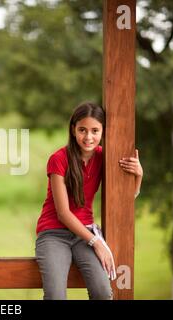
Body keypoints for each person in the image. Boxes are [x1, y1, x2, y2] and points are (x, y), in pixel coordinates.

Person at [34, 102, 143, 300]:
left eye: (95, 130)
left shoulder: (105, 157)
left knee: (103, 292)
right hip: (53, 234)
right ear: (73, 129)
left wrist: (138, 176)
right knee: (55, 296)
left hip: (84, 234)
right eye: (82, 130)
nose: (88, 137)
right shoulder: (58, 159)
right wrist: (97, 242)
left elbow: (125, 201)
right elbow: (63, 213)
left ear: (103, 131)